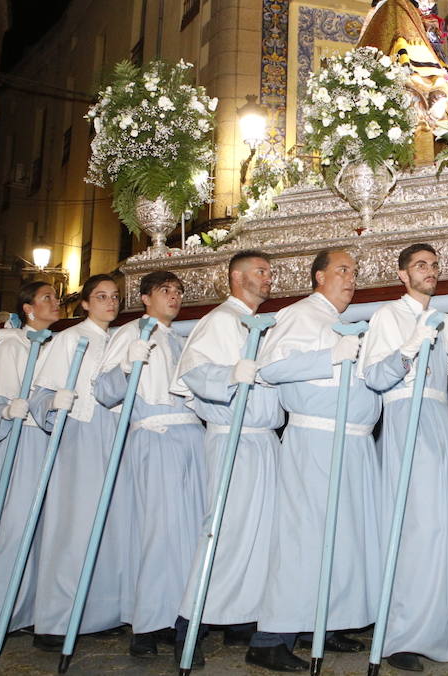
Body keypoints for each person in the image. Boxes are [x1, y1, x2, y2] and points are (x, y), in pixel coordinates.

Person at [252, 249, 378, 672]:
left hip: (352, 441)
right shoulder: (300, 314)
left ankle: (325, 621)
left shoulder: (341, 322)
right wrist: (330, 356)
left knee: (343, 537)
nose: (351, 278)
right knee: (305, 537)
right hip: (317, 438)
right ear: (318, 276)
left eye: (355, 272)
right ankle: (271, 638)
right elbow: (269, 367)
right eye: (343, 270)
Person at [359, 243, 448, 672]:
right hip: (407, 416)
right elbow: (373, 376)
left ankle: (443, 629)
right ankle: (401, 635)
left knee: (445, 524)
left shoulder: (441, 320)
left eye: (434, 264)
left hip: (440, 418)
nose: (430, 271)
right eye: (420, 265)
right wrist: (408, 349)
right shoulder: (390, 316)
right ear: (403, 275)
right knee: (416, 526)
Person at [171, 250, 280, 665]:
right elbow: (194, 372)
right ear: (236, 277)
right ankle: (188, 627)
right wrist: (230, 375)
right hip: (232, 438)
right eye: (261, 271)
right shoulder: (219, 321)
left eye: (270, 272)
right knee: (224, 531)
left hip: (264, 440)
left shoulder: (264, 324)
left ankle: (244, 620)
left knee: (261, 535)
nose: (270, 278)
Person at [94, 270, 204, 658]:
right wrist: (126, 367)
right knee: (158, 532)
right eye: (164, 291)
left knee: (190, 533)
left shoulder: (178, 338)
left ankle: (181, 615)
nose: (173, 297)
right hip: (155, 437)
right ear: (144, 297)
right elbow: (103, 392)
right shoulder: (129, 334)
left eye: (177, 291)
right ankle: (147, 623)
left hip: (190, 437)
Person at [26, 274, 128, 650]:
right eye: (101, 296)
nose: (110, 302)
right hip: (82, 434)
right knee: (74, 524)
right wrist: (55, 402)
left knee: (109, 525)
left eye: (115, 297)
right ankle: (56, 620)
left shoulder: (120, 338)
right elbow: (41, 394)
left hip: (115, 432)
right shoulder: (70, 339)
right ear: (84, 303)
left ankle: (98, 613)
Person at [0, 281, 60, 643]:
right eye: (47, 298)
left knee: (47, 531)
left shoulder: (59, 346)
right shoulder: (10, 347)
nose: (55, 302)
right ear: (28, 309)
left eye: (56, 297)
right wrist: (7, 409)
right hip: (20, 444)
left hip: (52, 442)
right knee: (14, 529)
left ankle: (35, 613)